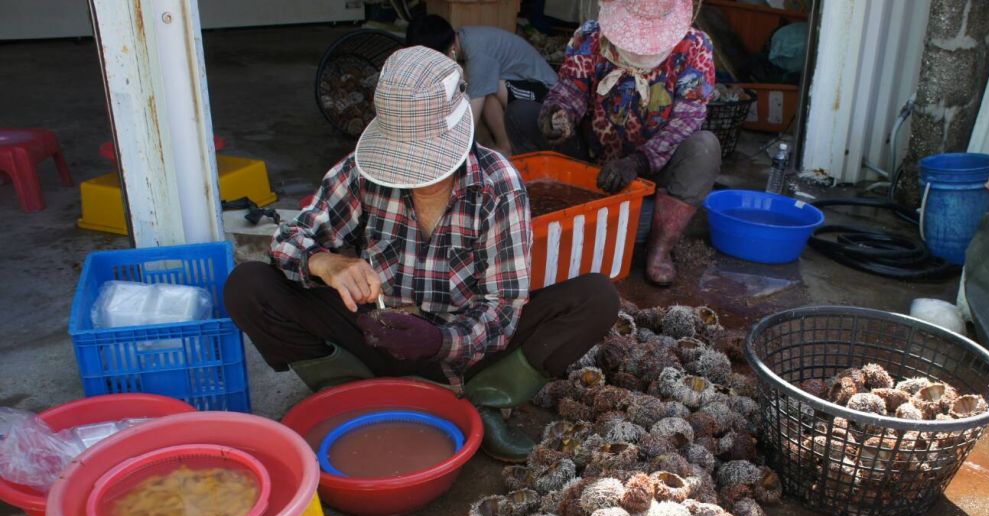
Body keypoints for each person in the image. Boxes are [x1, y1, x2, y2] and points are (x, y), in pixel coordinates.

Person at [224, 46, 618, 462]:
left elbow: (502, 311)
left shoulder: (499, 185)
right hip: (374, 334)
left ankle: (484, 401)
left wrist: (439, 341)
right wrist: (325, 263)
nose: (420, 179)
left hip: (464, 352)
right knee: (248, 285)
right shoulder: (361, 172)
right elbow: (288, 239)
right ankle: (345, 391)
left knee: (596, 297)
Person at [507, 0, 721, 287]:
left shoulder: (695, 46)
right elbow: (571, 85)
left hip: (654, 171)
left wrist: (638, 162)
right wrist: (559, 114)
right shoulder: (591, 36)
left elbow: (686, 121)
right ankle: (550, 221)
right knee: (522, 114)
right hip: (591, 158)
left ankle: (658, 249)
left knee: (705, 148)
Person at [406, 14, 559, 156]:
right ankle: (492, 145)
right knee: (476, 83)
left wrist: (449, 149)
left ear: (451, 50)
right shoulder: (462, 39)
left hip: (546, 91)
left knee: (484, 86)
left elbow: (471, 116)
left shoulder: (478, 54)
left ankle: (505, 148)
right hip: (515, 82)